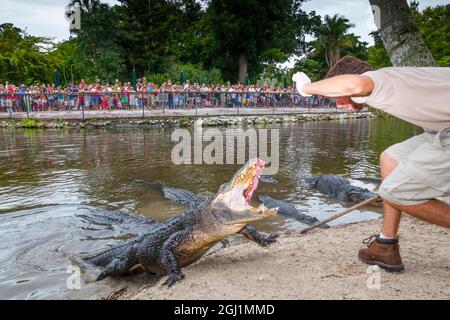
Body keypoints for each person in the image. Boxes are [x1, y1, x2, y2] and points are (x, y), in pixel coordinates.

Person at [293, 55, 450, 272]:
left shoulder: (378, 80)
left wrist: (306, 88)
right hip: (442, 128)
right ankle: (386, 245)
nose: (338, 103)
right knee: (391, 159)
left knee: (395, 192)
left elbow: (356, 84)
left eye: (338, 95)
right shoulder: (392, 82)